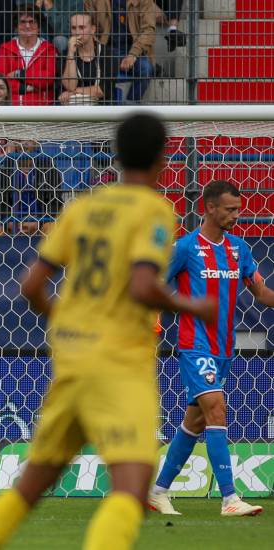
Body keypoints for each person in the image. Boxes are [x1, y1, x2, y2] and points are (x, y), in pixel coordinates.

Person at [0, 113, 217, 550]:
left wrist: (67, 320)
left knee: (29, 489)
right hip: (118, 362)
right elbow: (142, 285)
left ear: (115, 155)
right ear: (163, 158)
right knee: (131, 488)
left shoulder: (82, 206)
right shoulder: (154, 209)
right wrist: (194, 305)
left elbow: (31, 286)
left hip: (72, 357)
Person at [149, 180, 273, 517]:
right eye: (230, 209)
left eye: (238, 209)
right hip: (194, 345)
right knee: (217, 409)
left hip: (224, 348)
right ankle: (230, 498)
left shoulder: (239, 250)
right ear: (210, 208)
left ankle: (158, 491)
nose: (237, 215)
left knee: (196, 421)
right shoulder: (186, 248)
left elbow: (260, 293)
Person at [83, 0, 156, 104]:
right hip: (105, 49)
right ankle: (106, 107)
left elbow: (149, 31)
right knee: (98, 72)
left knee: (146, 69)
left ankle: (130, 105)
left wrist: (133, 54)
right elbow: (88, 25)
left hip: (133, 49)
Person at [0, 6, 58, 106]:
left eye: (32, 21)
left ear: (39, 27)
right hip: (11, 109)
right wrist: (25, 88)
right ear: (16, 27)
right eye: (22, 22)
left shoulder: (49, 49)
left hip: (42, 110)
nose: (27, 26)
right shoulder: (5, 49)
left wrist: (19, 74)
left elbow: (48, 78)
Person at [59, 12, 116, 105]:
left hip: (101, 109)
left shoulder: (107, 53)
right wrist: (70, 54)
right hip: (73, 110)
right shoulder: (65, 54)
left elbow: (102, 90)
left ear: (93, 29)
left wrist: (74, 92)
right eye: (74, 28)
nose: (77, 32)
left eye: (82, 27)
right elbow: (70, 86)